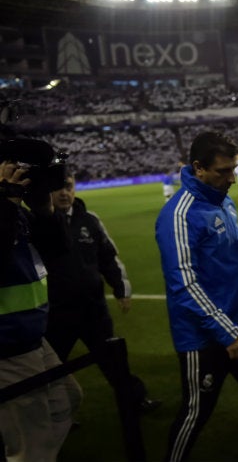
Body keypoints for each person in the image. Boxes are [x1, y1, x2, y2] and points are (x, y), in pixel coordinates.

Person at [155, 131, 238, 461]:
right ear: (198, 168)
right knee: (195, 413)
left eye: (233, 169)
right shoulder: (179, 215)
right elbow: (184, 283)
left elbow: (226, 256)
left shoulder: (223, 200)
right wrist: (226, 332)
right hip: (205, 337)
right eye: (223, 171)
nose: (232, 177)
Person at [45, 171, 161, 414]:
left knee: (114, 362)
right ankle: (52, 415)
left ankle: (136, 401)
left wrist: (121, 289)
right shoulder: (38, 223)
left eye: (68, 186)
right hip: (57, 313)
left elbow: (108, 257)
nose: (64, 193)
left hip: (93, 310)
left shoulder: (90, 220)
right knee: (48, 369)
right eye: (58, 188)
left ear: (74, 187)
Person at [0, 145, 82, 461]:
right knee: (30, 442)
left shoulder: (13, 209)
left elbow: (58, 249)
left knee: (66, 401)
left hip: (29, 337)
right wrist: (6, 202)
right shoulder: (6, 208)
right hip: (7, 343)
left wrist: (43, 208)